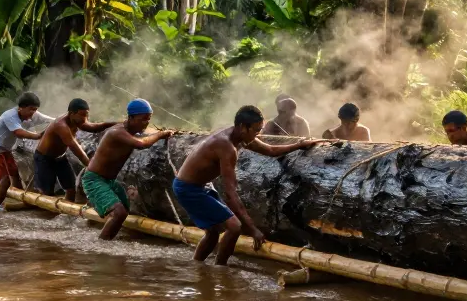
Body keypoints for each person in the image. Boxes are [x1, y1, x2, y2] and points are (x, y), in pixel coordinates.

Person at [174, 106, 324, 265]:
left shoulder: (241, 136)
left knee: (213, 232)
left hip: (200, 186)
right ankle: (220, 270)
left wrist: (300, 145)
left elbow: (271, 150)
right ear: (242, 127)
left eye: (260, 130)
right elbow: (230, 194)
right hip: (188, 189)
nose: (257, 135)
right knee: (234, 227)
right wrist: (253, 230)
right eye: (256, 130)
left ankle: (199, 267)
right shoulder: (226, 146)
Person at [84, 99, 173, 241]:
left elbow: (143, 137)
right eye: (143, 119)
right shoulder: (117, 132)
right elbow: (141, 144)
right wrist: (162, 134)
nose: (146, 123)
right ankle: (100, 247)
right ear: (130, 118)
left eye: (148, 119)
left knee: (125, 210)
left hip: (109, 181)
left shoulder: (132, 131)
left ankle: (101, 229)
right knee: (119, 213)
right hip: (95, 179)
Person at [34, 98, 117, 202]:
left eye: (86, 115)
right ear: (71, 113)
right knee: (47, 191)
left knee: (71, 188)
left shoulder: (77, 120)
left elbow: (94, 127)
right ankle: (46, 212)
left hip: (60, 157)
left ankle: (67, 211)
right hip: (44, 158)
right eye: (82, 115)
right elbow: (76, 149)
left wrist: (117, 124)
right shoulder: (61, 125)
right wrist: (92, 168)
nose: (85, 118)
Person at [0, 91, 50, 208]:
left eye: (35, 110)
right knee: (5, 180)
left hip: (5, 150)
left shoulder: (26, 115)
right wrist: (38, 136)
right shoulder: (10, 115)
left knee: (15, 175)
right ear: (20, 108)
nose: (33, 113)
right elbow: (18, 132)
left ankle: (21, 200)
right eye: (31, 109)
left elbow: (51, 119)